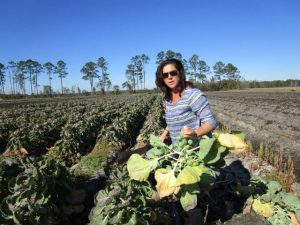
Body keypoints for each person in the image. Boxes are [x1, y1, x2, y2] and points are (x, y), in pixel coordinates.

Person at [155, 58, 217, 143]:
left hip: (195, 151)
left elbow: (211, 122)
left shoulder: (193, 95)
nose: (169, 77)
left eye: (173, 73)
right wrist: (164, 134)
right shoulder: (168, 98)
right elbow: (173, 120)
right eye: (165, 75)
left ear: (180, 73)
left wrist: (195, 133)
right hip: (179, 151)